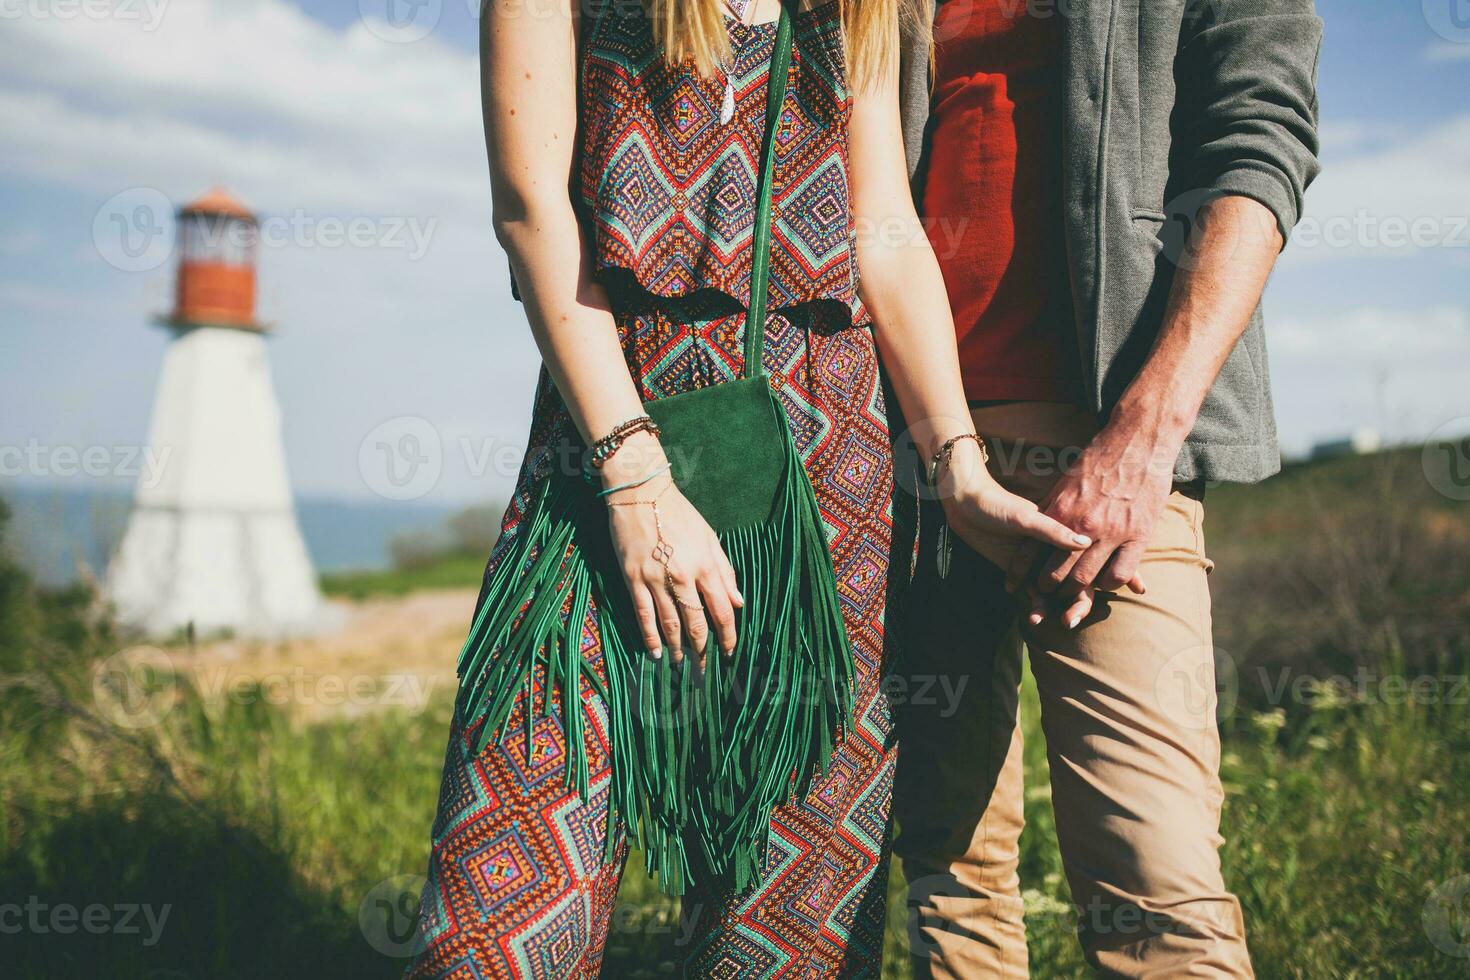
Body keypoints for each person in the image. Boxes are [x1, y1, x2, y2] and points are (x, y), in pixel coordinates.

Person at [405, 1, 1089, 975]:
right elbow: (532, 210)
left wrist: (958, 462)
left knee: (783, 927)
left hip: (832, 468)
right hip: (607, 442)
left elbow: (884, 230)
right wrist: (634, 472)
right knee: (498, 913)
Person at [892, 0, 1323, 976]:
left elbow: (1259, 147)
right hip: (917, 452)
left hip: (1112, 461)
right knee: (950, 874)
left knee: (1155, 890)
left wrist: (1143, 434)